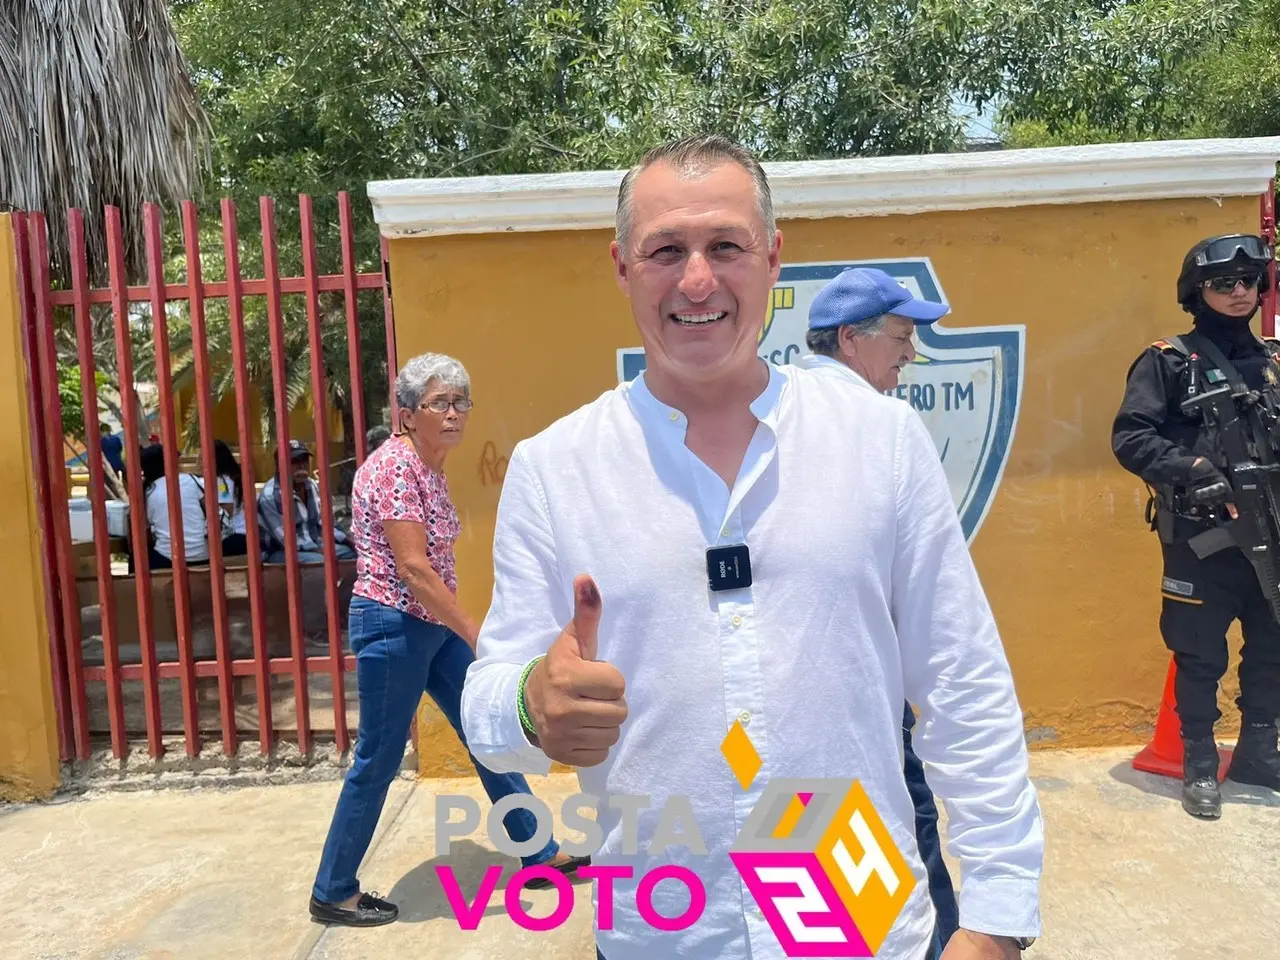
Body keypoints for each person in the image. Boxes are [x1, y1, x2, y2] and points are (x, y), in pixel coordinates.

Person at [461, 134, 1043, 960]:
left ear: (773, 259)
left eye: (725, 246)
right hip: (661, 931)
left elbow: (963, 681)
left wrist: (997, 915)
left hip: (857, 926)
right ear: (624, 268)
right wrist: (531, 704)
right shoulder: (555, 469)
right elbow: (487, 710)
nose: (697, 279)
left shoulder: (879, 442)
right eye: (666, 250)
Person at [309, 352, 588, 928]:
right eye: (441, 402)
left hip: (427, 628)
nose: (456, 413)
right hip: (394, 626)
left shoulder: (428, 466)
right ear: (407, 413)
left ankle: (537, 850)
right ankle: (333, 890)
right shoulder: (394, 469)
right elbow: (413, 569)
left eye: (462, 401)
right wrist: (475, 632)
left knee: (485, 730)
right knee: (377, 760)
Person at [792, 266, 960, 953]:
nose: (910, 354)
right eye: (901, 336)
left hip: (797, 695)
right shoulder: (885, 425)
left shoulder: (770, 414)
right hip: (860, 685)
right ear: (848, 341)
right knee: (907, 833)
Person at [1111, 233, 1280, 820]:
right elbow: (1131, 437)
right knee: (1199, 655)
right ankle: (1200, 767)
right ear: (1197, 291)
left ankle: (1260, 753)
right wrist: (1193, 468)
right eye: (1223, 283)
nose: (1239, 292)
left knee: (1272, 649)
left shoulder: (1275, 364)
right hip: (1203, 543)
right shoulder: (1167, 360)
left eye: (1249, 282)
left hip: (1272, 536)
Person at [257, 440, 356, 564]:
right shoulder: (271, 495)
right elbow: (286, 540)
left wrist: (347, 539)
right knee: (321, 562)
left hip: (314, 544)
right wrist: (318, 550)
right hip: (279, 551)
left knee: (355, 554)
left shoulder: (312, 485)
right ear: (279, 466)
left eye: (304, 460)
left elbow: (324, 523)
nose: (301, 466)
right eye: (294, 462)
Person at [139, 443, 210, 570]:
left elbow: (145, 529)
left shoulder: (148, 492)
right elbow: (210, 510)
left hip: (167, 557)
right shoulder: (191, 480)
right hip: (203, 554)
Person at [213, 439, 249, 558]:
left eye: (202, 457)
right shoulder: (233, 477)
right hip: (243, 534)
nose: (199, 461)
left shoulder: (223, 482)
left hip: (233, 536)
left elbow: (227, 509)